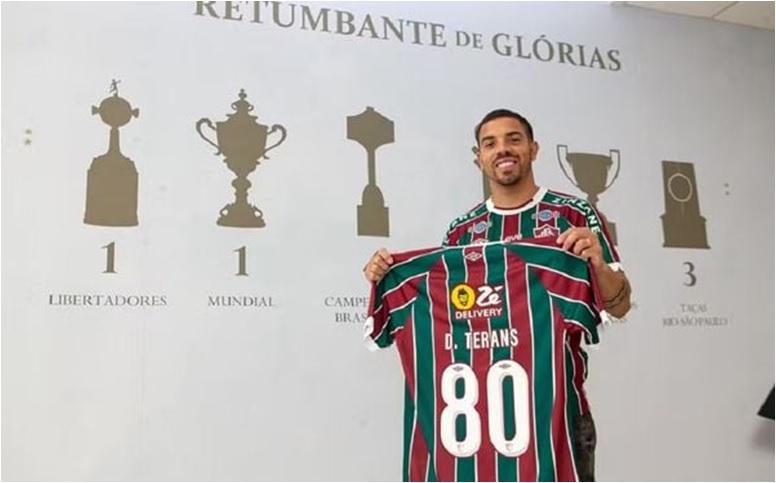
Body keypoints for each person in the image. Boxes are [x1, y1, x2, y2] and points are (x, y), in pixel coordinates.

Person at [363, 109, 631, 481]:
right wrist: (385, 274)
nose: (503, 149)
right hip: (475, 429)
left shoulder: (574, 214)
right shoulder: (462, 232)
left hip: (558, 414)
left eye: (514, 139)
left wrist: (598, 266)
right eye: (490, 143)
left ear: (534, 149)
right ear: (479, 158)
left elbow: (619, 305)